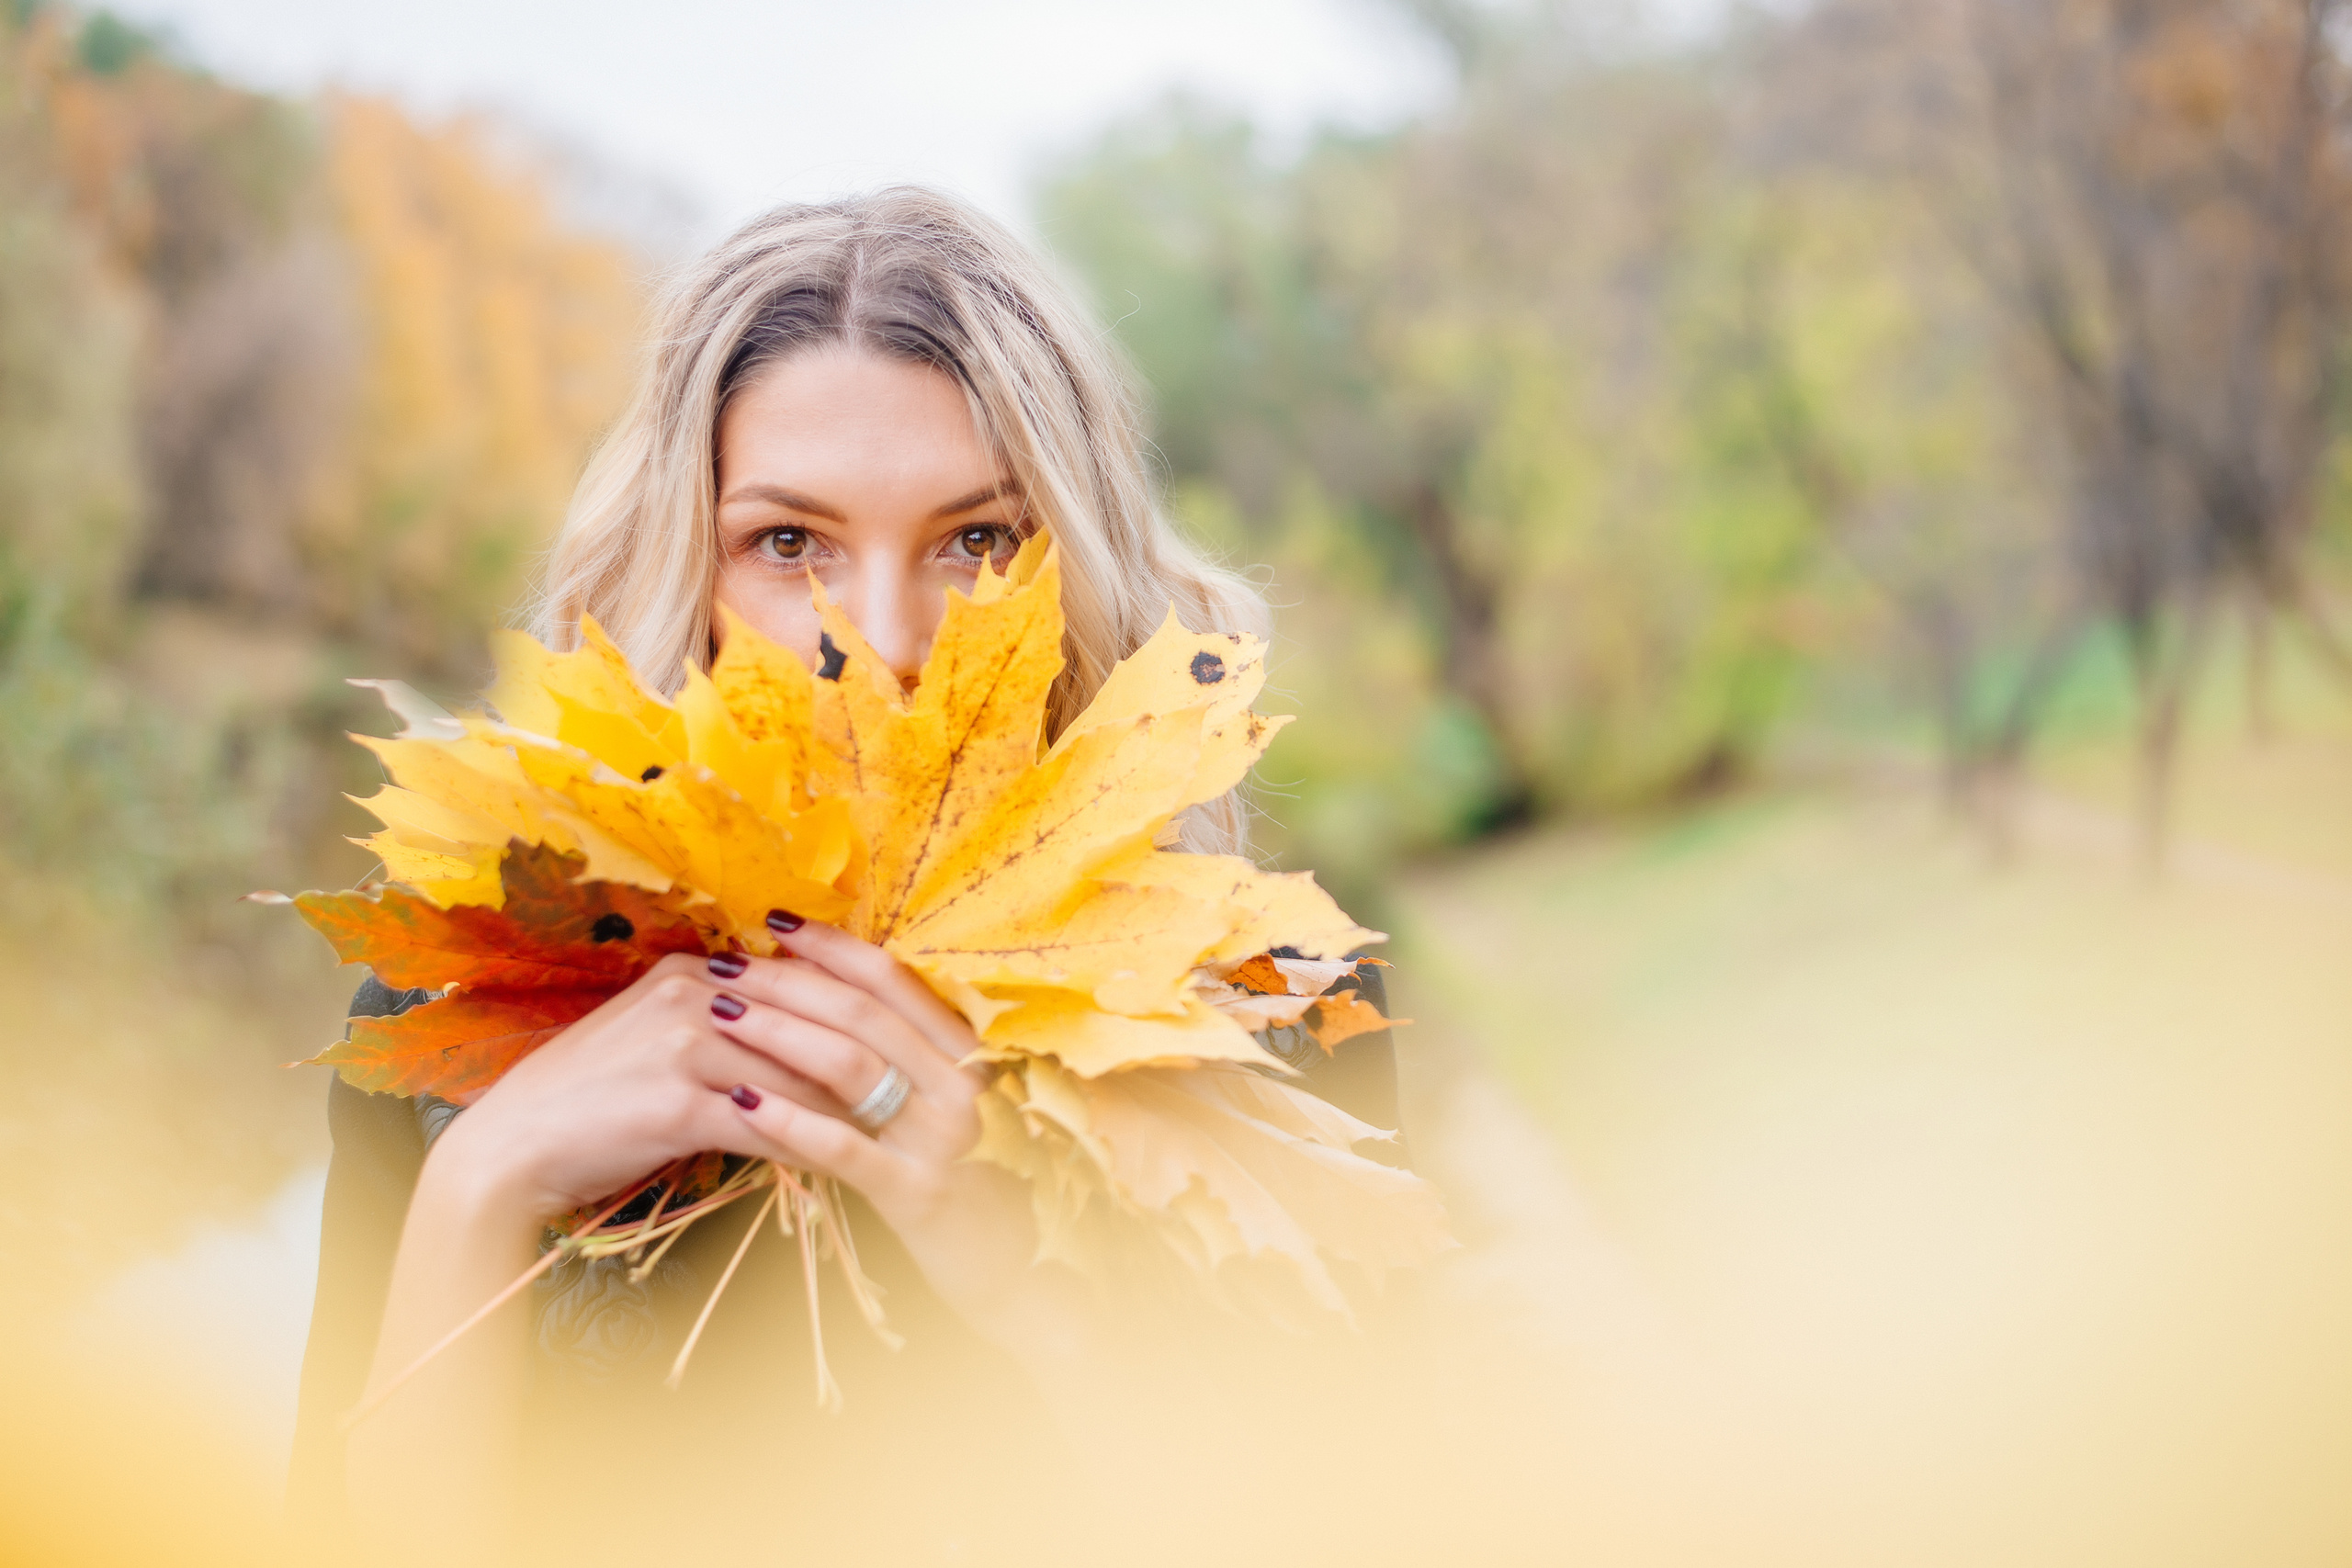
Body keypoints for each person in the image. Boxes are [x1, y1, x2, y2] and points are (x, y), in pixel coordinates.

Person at [288, 187, 1403, 1564]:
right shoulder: (460, 1015)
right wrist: (482, 1186)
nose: (885, 638)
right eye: (789, 545)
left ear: (1075, 567)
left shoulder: (1275, 1014)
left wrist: (1050, 1298)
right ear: (684, 570)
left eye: (977, 542)